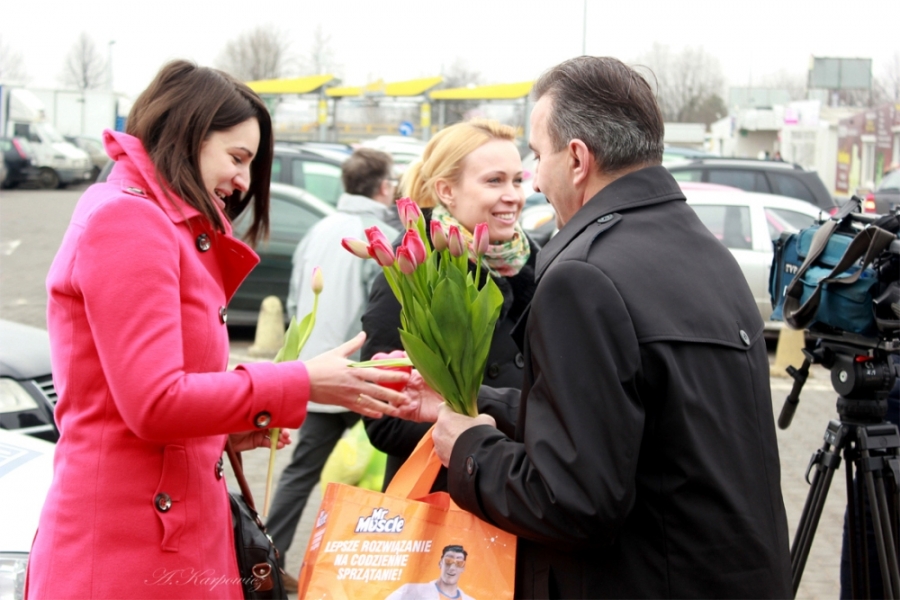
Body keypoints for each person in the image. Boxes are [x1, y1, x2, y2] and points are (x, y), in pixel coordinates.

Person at [25, 61, 410, 600]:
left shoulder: (155, 222)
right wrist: (300, 382)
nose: (244, 181)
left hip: (162, 533)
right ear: (188, 134)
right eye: (237, 157)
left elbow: (142, 396)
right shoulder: (130, 221)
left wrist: (220, 430)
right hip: (128, 546)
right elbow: (153, 401)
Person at [426, 57, 792, 598]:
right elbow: (638, 422)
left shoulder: (584, 276)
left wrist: (470, 448)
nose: (534, 182)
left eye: (537, 156)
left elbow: (572, 500)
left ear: (577, 159)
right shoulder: (709, 256)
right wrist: (483, 402)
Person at [361, 119, 537, 491]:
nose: (513, 196)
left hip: (522, 493)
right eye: (494, 181)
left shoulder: (542, 264)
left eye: (517, 180)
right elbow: (384, 418)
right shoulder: (411, 272)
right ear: (446, 190)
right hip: (448, 499)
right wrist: (479, 437)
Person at [267, 148, 401, 592]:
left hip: (314, 374)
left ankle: (266, 561)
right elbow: (378, 314)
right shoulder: (382, 236)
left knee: (300, 472)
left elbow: (294, 298)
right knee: (385, 474)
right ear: (383, 187)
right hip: (363, 377)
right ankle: (374, 569)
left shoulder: (318, 229)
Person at [385, 545, 475, 600]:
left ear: (463, 568)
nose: (452, 568)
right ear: (440, 563)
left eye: (459, 563)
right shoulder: (411, 590)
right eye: (448, 561)